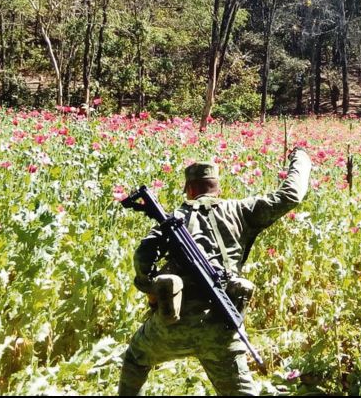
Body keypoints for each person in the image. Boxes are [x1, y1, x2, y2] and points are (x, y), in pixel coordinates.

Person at [118, 148, 312, 396]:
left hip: (171, 325)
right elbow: (291, 194)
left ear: (189, 189)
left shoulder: (173, 219)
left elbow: (143, 256)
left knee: (136, 359)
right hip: (222, 324)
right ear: (217, 186)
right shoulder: (242, 211)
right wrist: (301, 158)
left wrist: (148, 286)